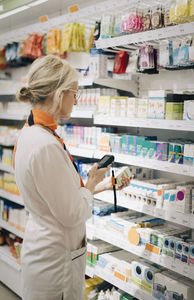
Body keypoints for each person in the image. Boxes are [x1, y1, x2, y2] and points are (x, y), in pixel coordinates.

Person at [14, 55, 130, 300]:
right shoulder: (45, 145)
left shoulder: (31, 132)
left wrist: (102, 184)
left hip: (46, 250)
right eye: (74, 94)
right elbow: (72, 213)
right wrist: (89, 184)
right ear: (59, 94)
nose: (76, 102)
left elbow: (58, 195)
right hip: (55, 265)